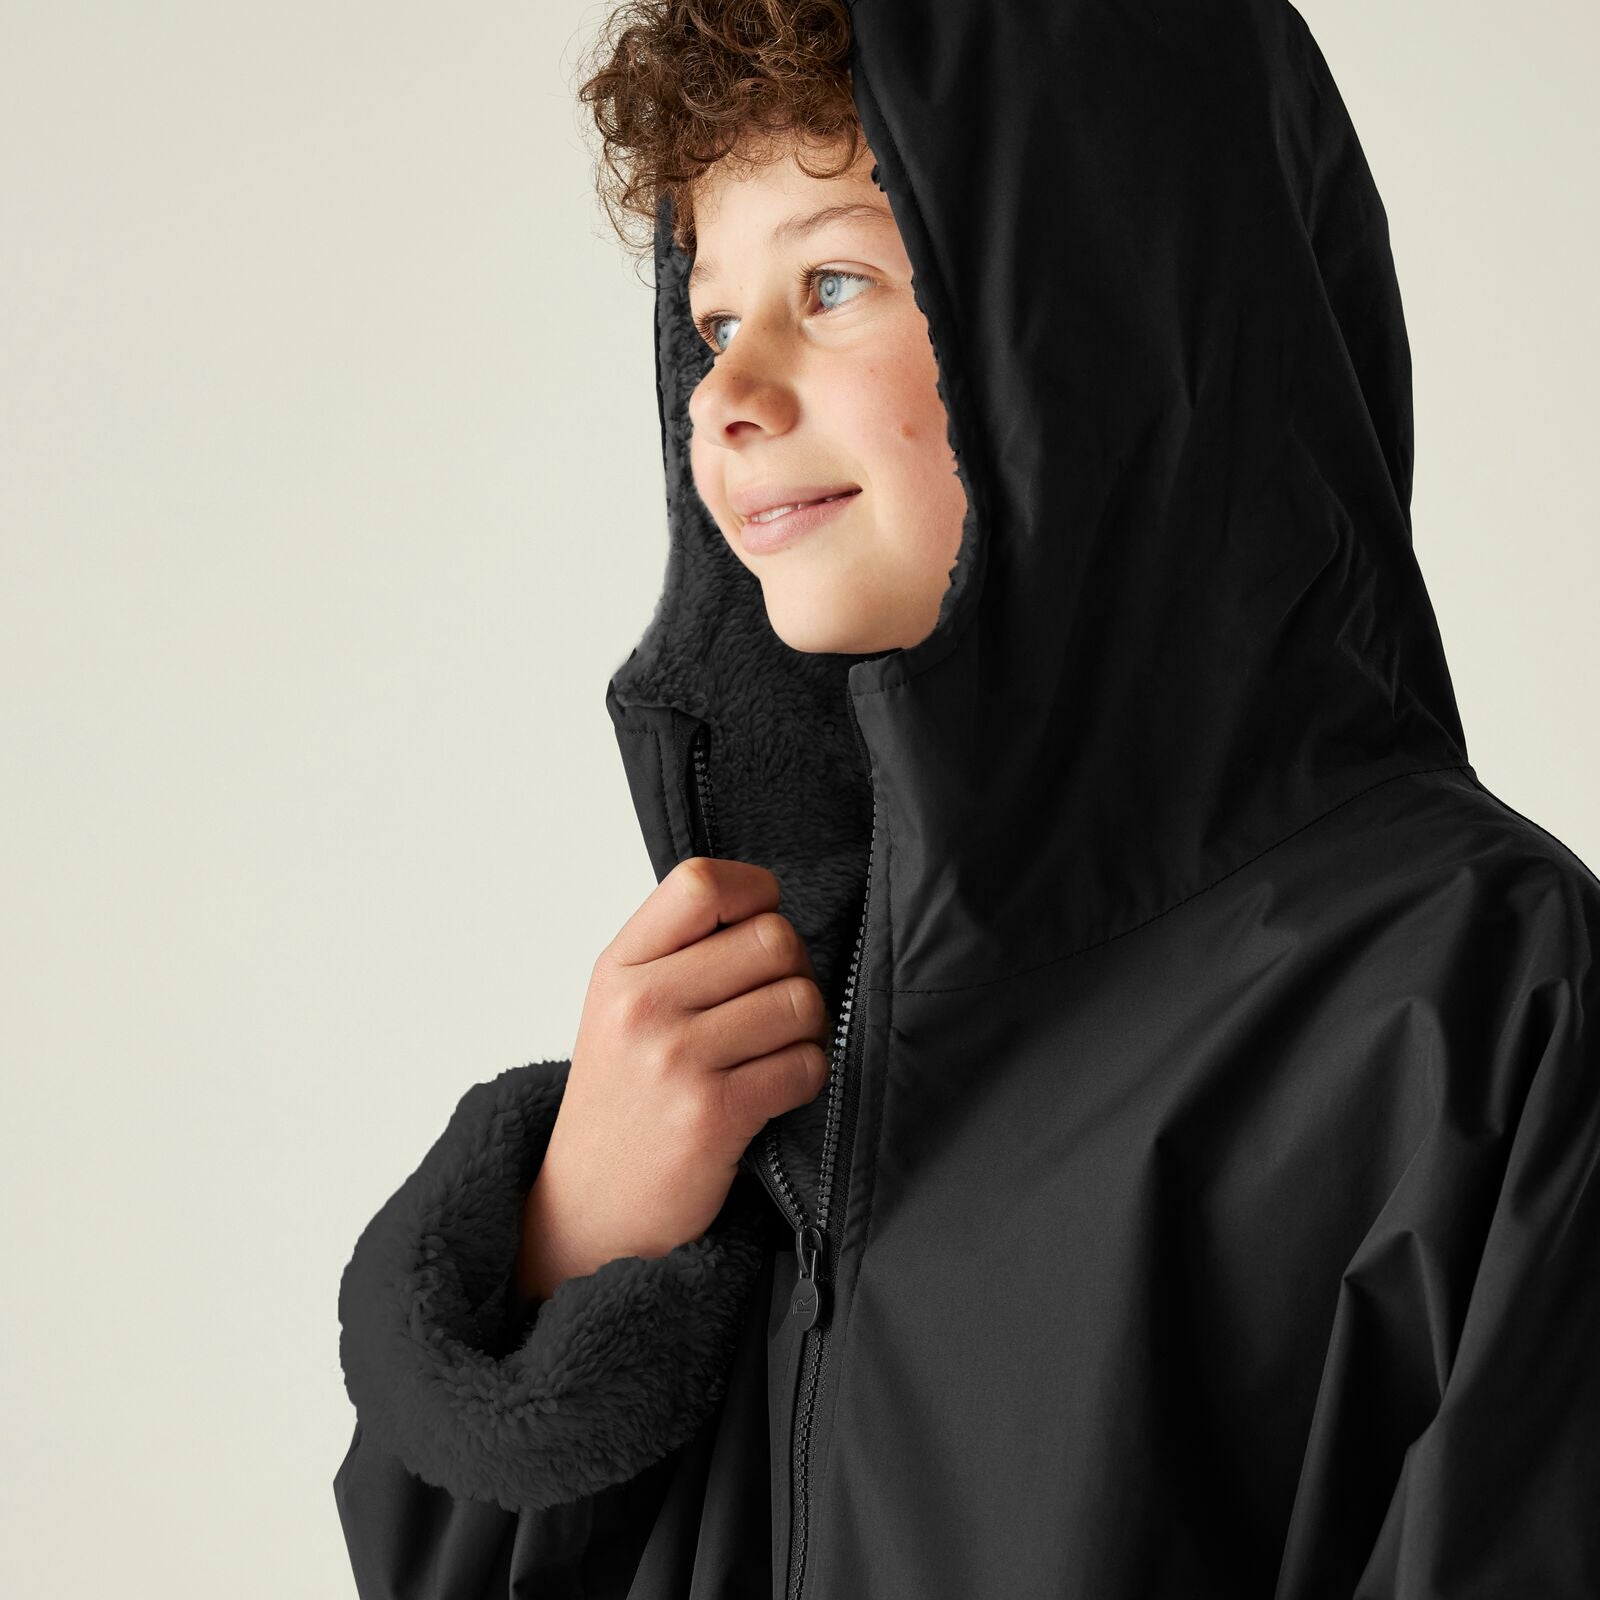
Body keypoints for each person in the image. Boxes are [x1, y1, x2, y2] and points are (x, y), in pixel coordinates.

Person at [334, 0, 1600, 1594]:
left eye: (833, 284)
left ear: (1107, 311)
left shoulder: (1478, 1000)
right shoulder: (782, 1010)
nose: (726, 396)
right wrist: (574, 1255)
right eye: (713, 322)